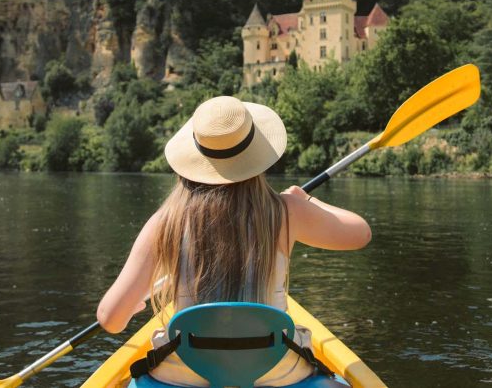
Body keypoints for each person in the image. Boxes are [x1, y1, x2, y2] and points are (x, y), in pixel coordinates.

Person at [97, 96, 371, 386]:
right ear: (255, 157)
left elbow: (111, 319)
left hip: (182, 375)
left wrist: (135, 304)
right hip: (276, 373)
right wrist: (306, 201)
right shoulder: (287, 212)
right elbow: (360, 233)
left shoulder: (165, 222)